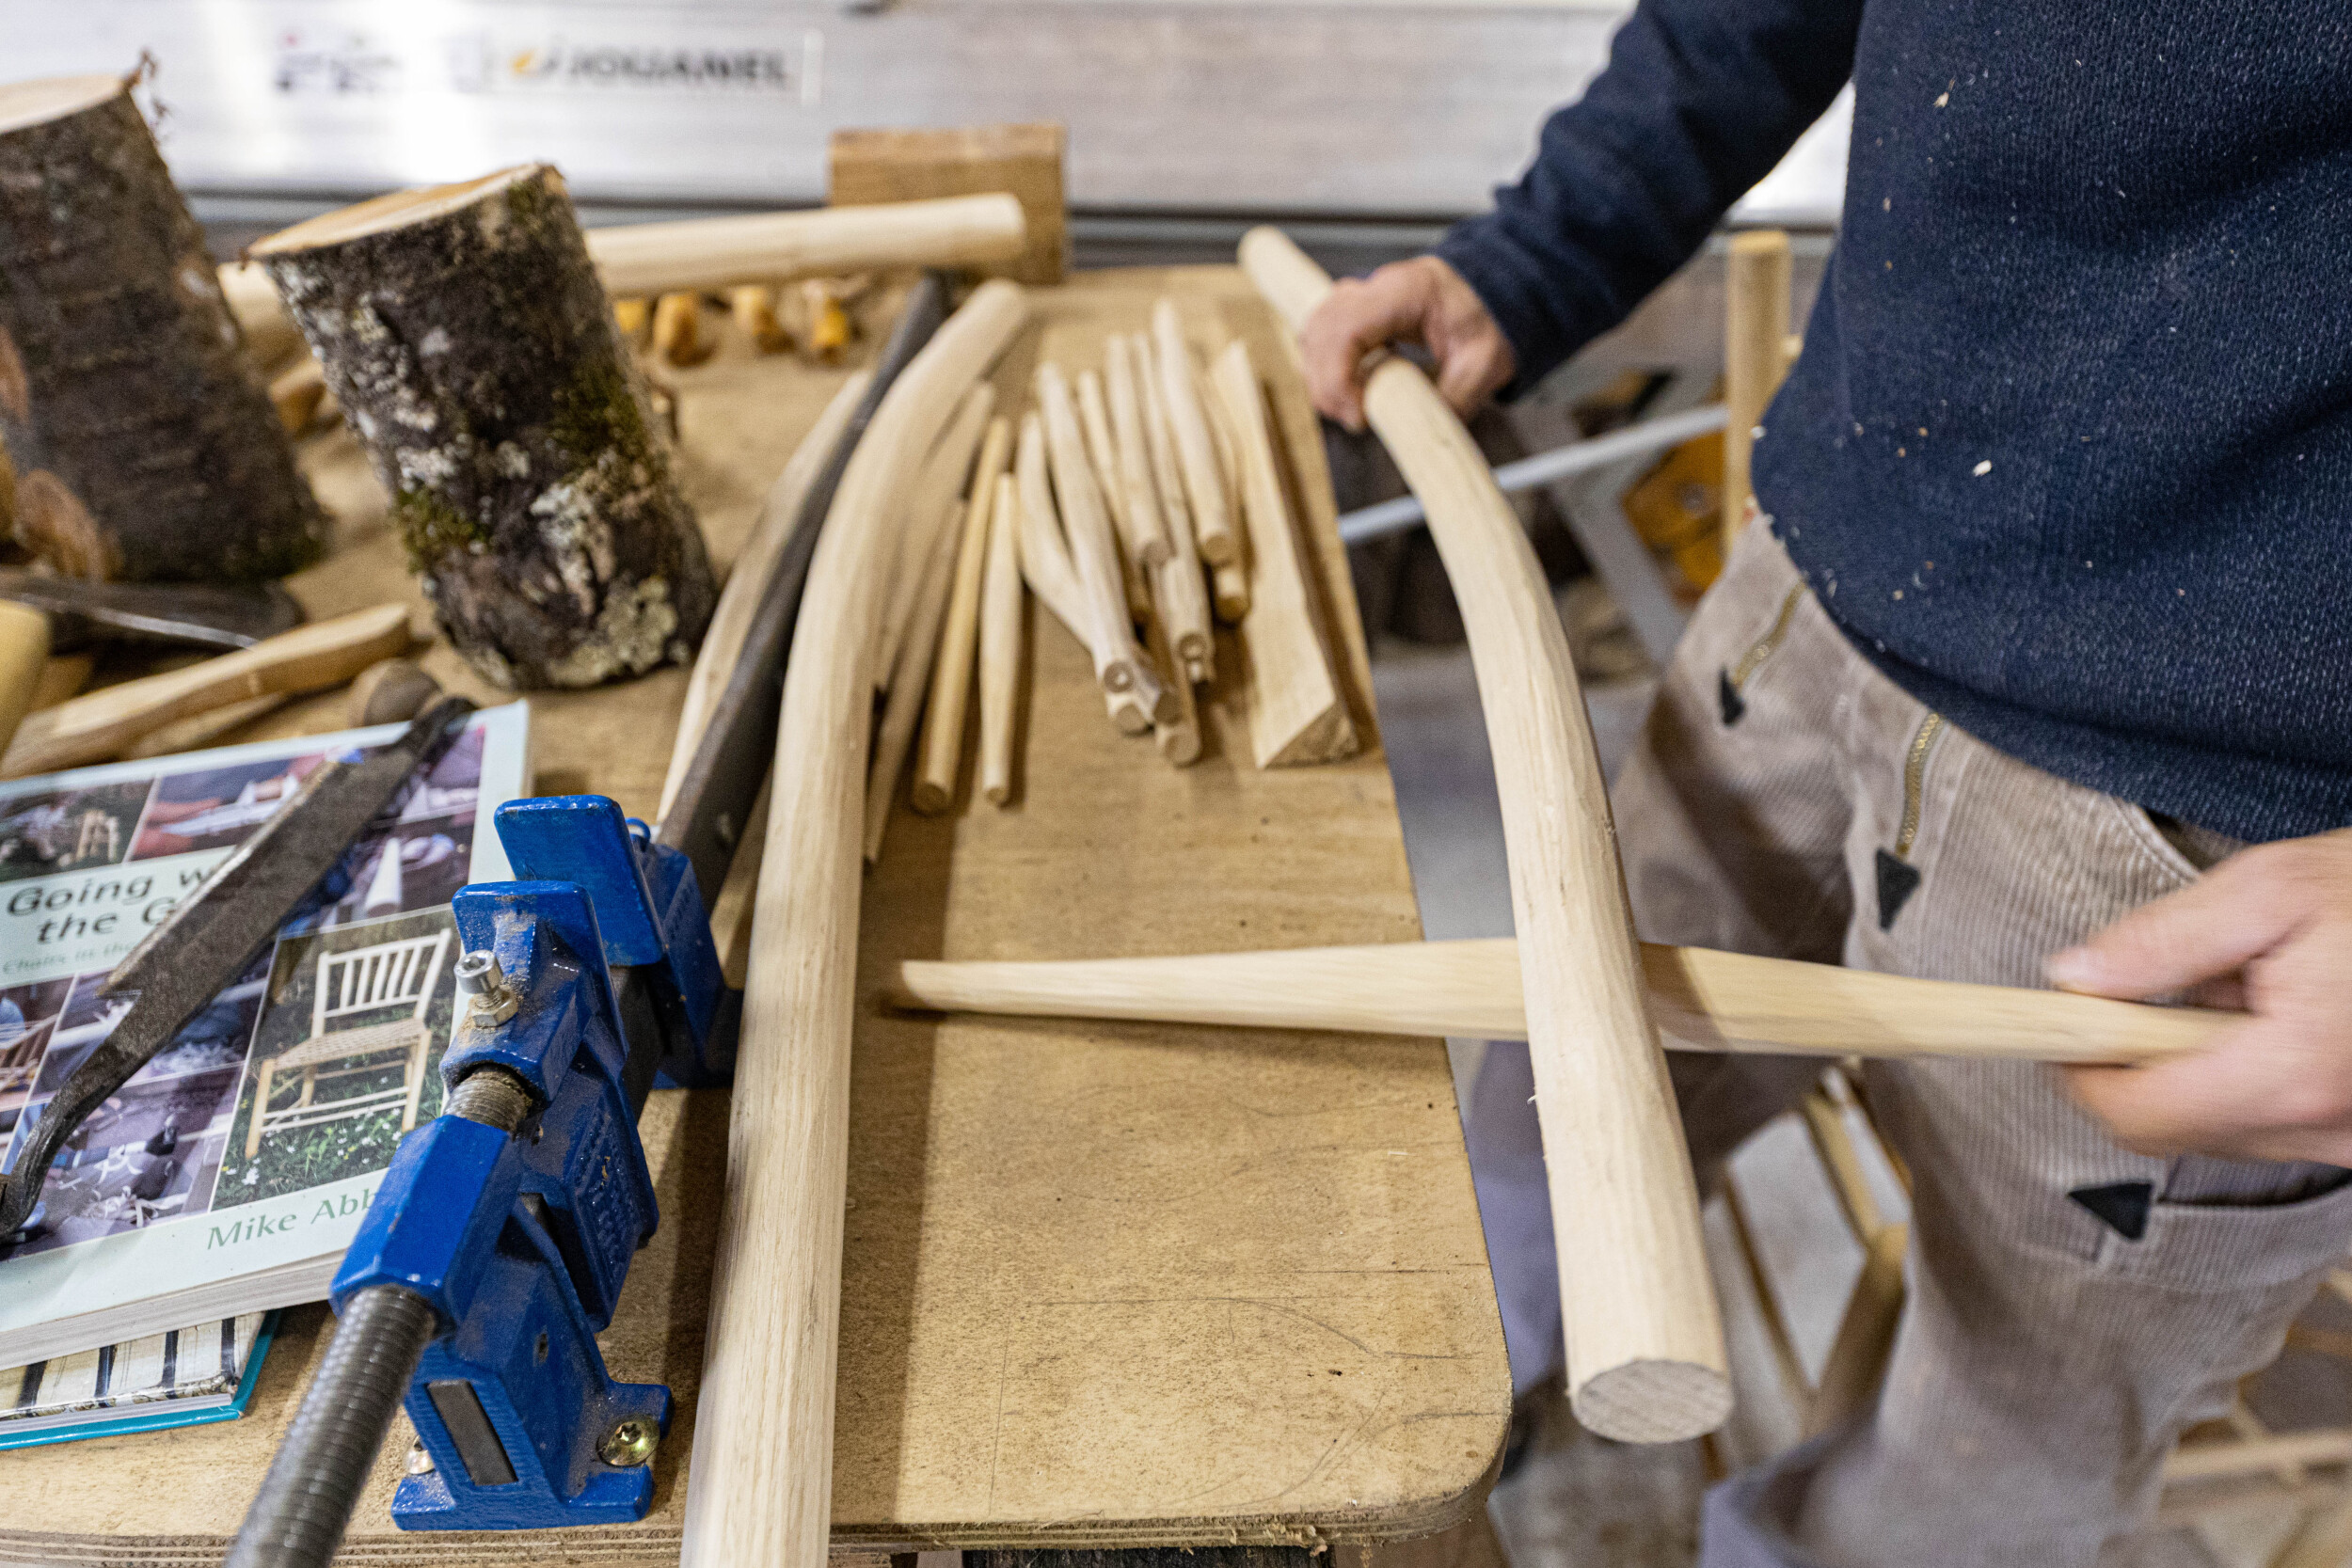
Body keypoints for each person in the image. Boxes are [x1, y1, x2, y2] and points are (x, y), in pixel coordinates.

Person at [1297, 2, 2352, 1563]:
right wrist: (1535, 258)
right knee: (1557, 1106)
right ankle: (1441, 1397)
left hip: (2212, 827)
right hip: (1816, 586)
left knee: (1980, 1462)